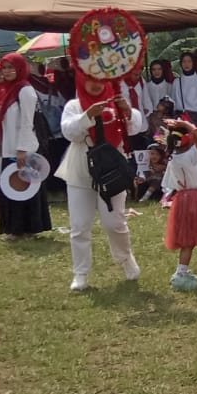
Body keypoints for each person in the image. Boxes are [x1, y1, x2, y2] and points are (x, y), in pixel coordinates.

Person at [58, 78, 144, 292]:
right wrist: (87, 116)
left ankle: (126, 258)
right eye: (89, 81)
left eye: (100, 80)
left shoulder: (114, 102)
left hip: (112, 169)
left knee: (114, 222)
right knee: (79, 225)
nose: (95, 85)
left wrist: (127, 111)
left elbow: (135, 128)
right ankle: (81, 273)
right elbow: (69, 132)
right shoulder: (74, 105)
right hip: (81, 168)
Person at [0, 54, 51, 239]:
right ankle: (14, 228)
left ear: (20, 68)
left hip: (24, 148)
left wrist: (22, 148)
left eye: (10, 67)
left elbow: (27, 122)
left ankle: (30, 228)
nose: (6, 71)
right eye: (4, 68)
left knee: (25, 187)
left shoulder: (25, 91)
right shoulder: (5, 91)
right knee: (10, 187)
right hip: (8, 147)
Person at [161, 118, 197, 292]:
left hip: (182, 198)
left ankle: (182, 270)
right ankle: (180, 272)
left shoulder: (175, 157)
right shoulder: (190, 155)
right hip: (194, 199)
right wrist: (185, 125)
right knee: (189, 240)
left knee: (188, 238)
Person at [173, 51, 197, 120]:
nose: (186, 64)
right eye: (184, 61)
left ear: (193, 63)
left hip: (195, 117)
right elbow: (173, 101)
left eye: (189, 61)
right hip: (179, 117)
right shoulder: (177, 82)